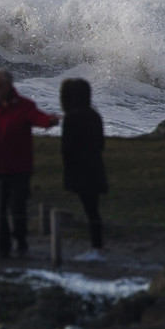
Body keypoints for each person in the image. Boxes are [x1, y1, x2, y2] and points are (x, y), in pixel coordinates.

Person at [0, 69, 59, 258]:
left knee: (17, 208)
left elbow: (38, 118)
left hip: (18, 170)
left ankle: (21, 242)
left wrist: (50, 120)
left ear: (7, 86)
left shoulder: (24, 106)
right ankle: (2, 247)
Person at [60, 78, 108, 260]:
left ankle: (97, 248)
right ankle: (97, 247)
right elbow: (101, 144)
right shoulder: (95, 115)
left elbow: (66, 149)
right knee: (93, 209)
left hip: (80, 170)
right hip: (96, 167)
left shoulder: (71, 117)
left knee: (91, 210)